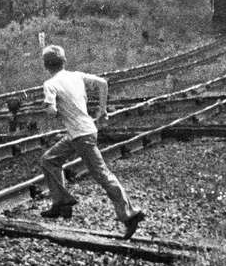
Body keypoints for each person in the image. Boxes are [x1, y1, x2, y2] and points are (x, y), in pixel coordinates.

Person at [38, 44, 145, 239]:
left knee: (102, 174)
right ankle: (61, 203)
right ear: (64, 62)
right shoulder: (76, 76)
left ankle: (129, 214)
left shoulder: (50, 84)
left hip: (81, 136)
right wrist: (103, 110)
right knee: (49, 160)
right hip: (80, 133)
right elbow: (103, 83)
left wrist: (49, 109)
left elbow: (51, 112)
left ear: (46, 66)